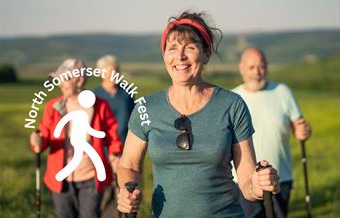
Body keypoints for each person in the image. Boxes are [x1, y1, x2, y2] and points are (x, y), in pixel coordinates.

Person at [117, 11, 280, 217]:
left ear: (206, 54)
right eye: (172, 48)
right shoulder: (146, 108)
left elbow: (247, 183)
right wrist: (126, 189)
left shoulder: (232, 105)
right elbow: (128, 165)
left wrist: (258, 185)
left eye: (190, 48)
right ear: (164, 55)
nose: (180, 56)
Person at [30, 59, 122, 218]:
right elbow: (44, 135)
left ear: (79, 80)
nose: (60, 84)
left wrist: (115, 155)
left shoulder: (100, 106)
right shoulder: (53, 107)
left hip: (90, 178)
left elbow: (113, 136)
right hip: (61, 179)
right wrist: (37, 142)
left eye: (64, 79)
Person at [232, 48, 312, 218]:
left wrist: (303, 132)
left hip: (280, 178)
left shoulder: (282, 92)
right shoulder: (232, 98)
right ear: (241, 68)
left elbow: (299, 126)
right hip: (244, 182)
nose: (257, 72)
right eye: (251, 67)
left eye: (261, 67)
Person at [93, 55, 135, 218]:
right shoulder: (93, 95)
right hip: (100, 153)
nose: (114, 75)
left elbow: (135, 121)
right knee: (103, 196)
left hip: (126, 151)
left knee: (126, 195)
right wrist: (108, 154)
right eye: (110, 71)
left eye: (116, 71)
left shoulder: (127, 94)